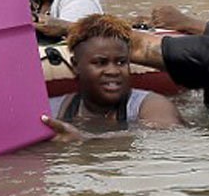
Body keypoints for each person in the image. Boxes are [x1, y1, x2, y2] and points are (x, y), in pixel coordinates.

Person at [41, 14, 184, 142]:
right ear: (75, 66)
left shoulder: (153, 106)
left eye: (121, 62)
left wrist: (86, 140)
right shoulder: (53, 110)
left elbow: (167, 137)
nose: (113, 71)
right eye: (100, 63)